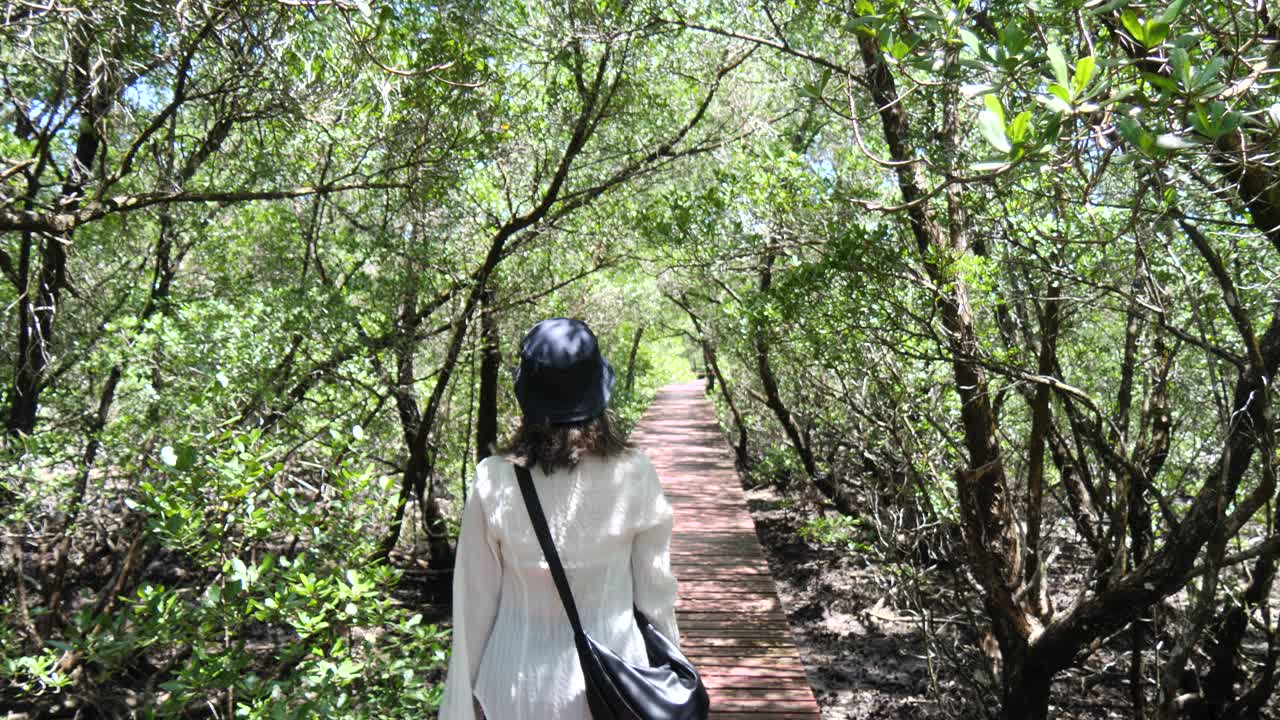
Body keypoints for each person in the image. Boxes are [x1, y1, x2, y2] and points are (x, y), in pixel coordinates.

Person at [438, 317, 681, 720]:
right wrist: (670, 674)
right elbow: (655, 596)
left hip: (515, 689)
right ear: (598, 391)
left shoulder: (494, 480)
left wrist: (460, 708)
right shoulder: (634, 473)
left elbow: (474, 605)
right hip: (615, 682)